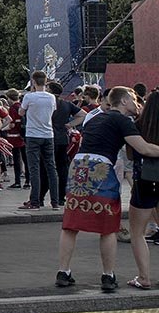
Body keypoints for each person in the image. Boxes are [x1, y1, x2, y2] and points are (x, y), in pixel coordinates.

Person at [56, 86, 159, 291]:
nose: (136, 102)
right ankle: (108, 275)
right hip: (100, 168)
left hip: (78, 166)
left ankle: (63, 271)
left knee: (71, 223)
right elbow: (144, 149)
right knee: (108, 225)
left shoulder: (95, 118)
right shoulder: (123, 121)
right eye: (132, 99)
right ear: (123, 102)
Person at [127, 91, 159, 289]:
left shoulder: (137, 125)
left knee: (137, 233)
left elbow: (131, 156)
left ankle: (144, 277)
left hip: (145, 181)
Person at [19, 71, 59, 210]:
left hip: (33, 134)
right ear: (46, 81)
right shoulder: (51, 97)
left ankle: (35, 201)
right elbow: (53, 111)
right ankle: (55, 201)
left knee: (34, 168)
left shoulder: (29, 97)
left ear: (33, 82)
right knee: (51, 167)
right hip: (48, 134)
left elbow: (21, 112)